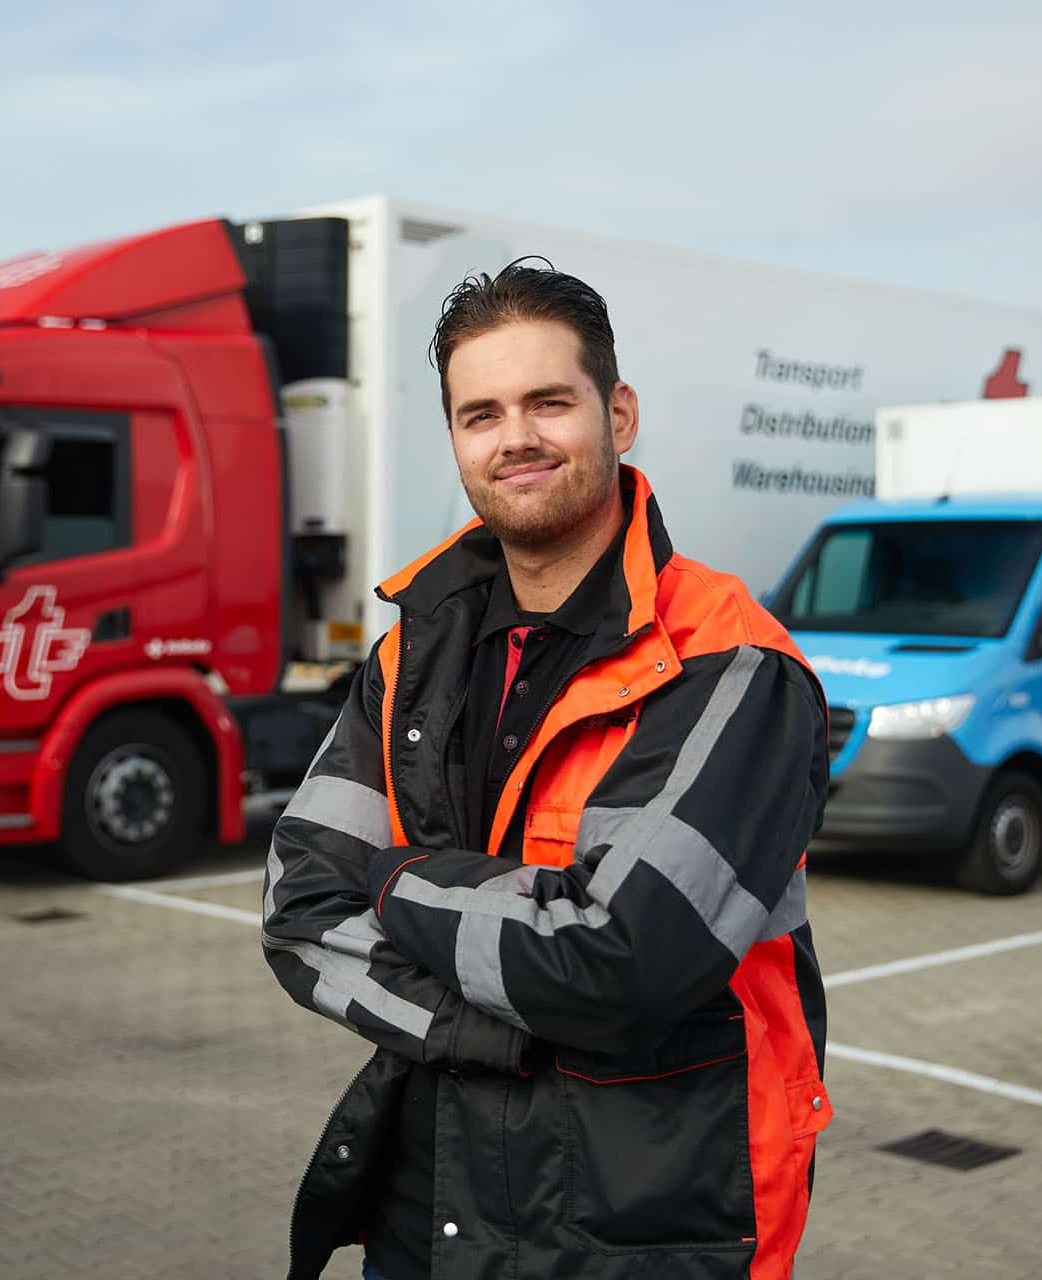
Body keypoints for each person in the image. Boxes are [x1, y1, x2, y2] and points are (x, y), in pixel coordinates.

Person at [262, 260, 832, 1280]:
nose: (514, 436)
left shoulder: (728, 659)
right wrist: (480, 1022)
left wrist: (395, 877)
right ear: (456, 440)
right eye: (480, 412)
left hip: (636, 1228)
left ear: (618, 413)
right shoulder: (412, 655)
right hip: (426, 1212)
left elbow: (618, 963)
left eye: (547, 402)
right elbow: (300, 911)